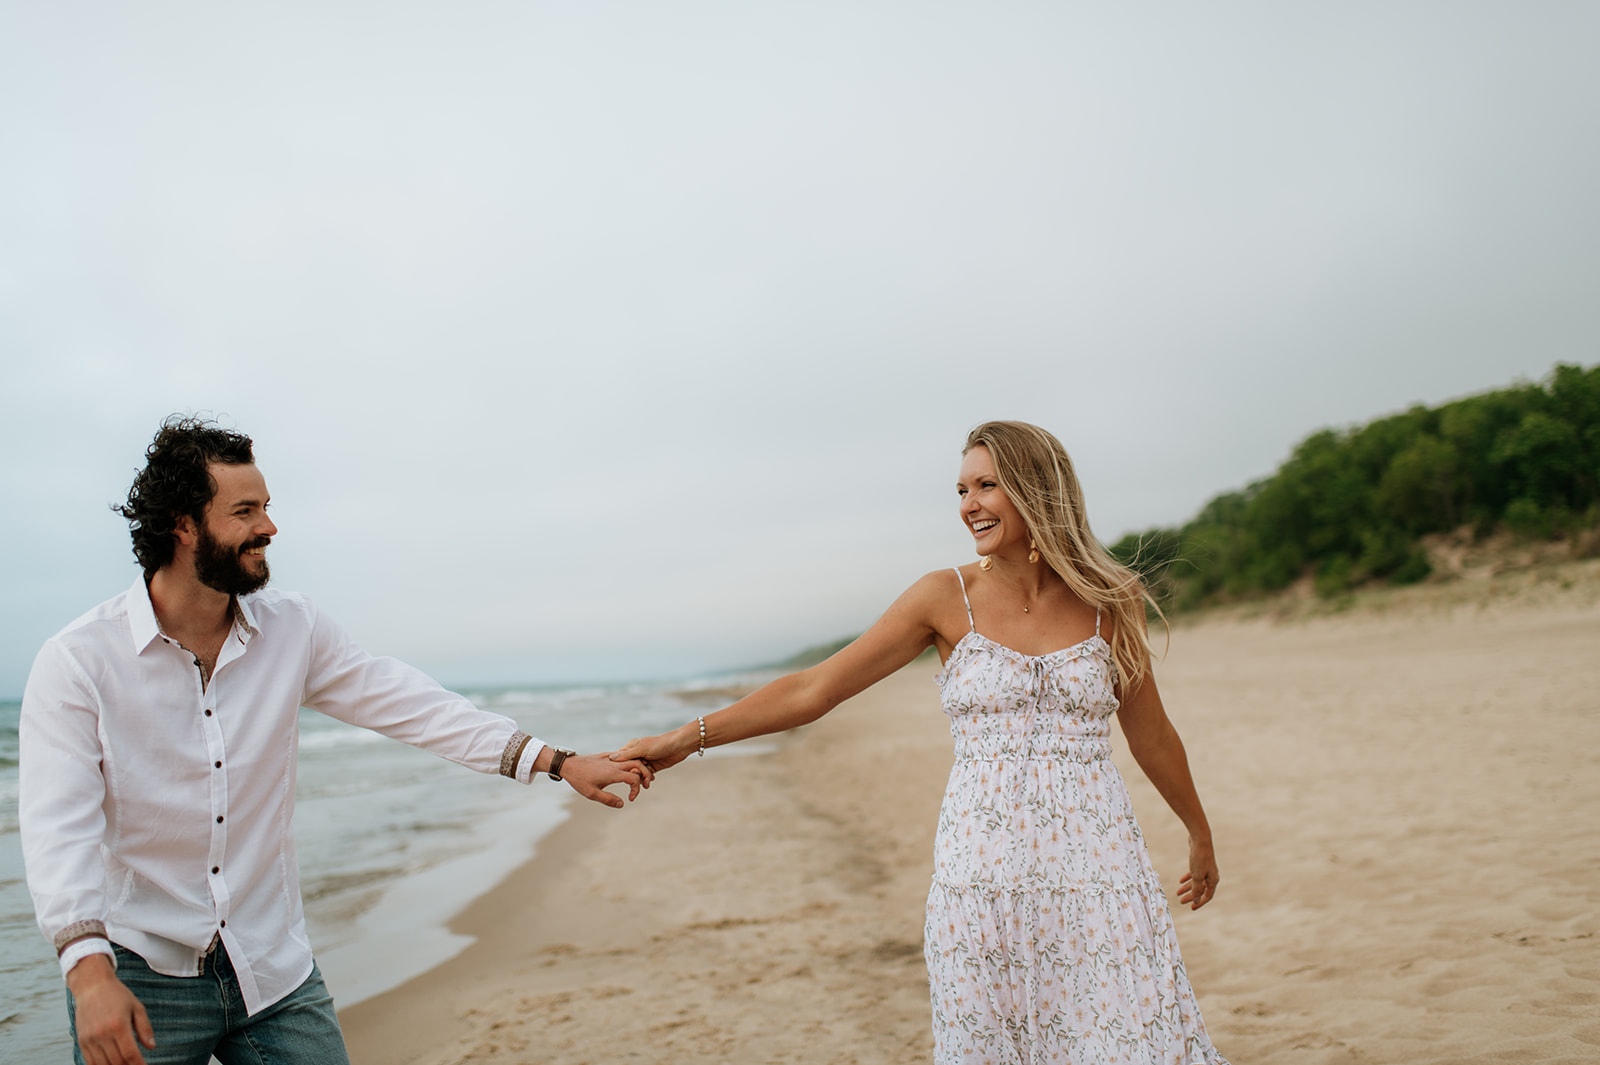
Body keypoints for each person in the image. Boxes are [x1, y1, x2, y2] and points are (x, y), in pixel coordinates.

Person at [20, 416, 652, 1065]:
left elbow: (407, 702)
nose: (268, 527)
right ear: (182, 524)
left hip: (271, 966)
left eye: (267, 507)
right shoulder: (78, 663)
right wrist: (88, 973)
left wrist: (557, 761)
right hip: (139, 974)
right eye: (245, 511)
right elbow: (57, 829)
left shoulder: (293, 628)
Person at [613, 420, 1229, 1064]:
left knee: (1126, 1036)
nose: (969, 506)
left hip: (1099, 870)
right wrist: (689, 737)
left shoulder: (1112, 600)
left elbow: (1151, 732)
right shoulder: (943, 596)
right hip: (981, 875)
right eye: (962, 490)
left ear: (1037, 489)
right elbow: (814, 690)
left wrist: (1198, 829)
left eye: (987, 486)